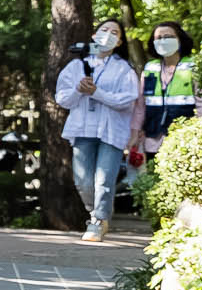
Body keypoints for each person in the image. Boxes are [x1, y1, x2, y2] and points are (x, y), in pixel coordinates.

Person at [56, 17, 142, 240]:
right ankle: (96, 212)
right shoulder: (76, 66)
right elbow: (62, 98)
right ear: (94, 36)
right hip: (83, 129)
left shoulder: (125, 70)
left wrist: (96, 93)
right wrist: (79, 89)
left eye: (115, 32)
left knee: (104, 179)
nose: (108, 35)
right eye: (104, 30)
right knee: (83, 181)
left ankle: (98, 221)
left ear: (120, 42)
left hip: (111, 131)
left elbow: (126, 100)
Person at [139, 21, 202, 159]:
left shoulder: (193, 66)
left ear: (180, 40)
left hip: (184, 139)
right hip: (152, 138)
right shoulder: (149, 68)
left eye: (169, 36)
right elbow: (140, 106)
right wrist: (136, 132)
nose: (163, 41)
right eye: (158, 38)